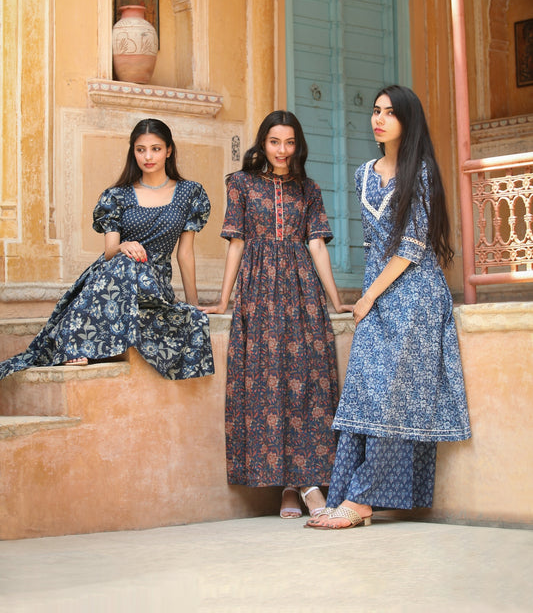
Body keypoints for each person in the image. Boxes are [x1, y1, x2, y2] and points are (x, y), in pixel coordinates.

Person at [307, 85, 471, 530]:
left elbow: (411, 248)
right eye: (375, 111)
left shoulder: (421, 173)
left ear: (407, 121)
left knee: (390, 400)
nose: (378, 119)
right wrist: (369, 298)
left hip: (414, 296)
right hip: (377, 297)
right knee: (363, 394)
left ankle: (361, 502)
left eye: (389, 113)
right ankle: (346, 493)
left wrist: (367, 297)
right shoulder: (363, 173)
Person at [201, 110, 351, 519]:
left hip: (301, 290)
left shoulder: (309, 188)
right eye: (274, 142)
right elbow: (236, 243)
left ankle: (304, 483)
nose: (282, 151)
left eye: (289, 143)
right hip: (258, 290)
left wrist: (335, 301)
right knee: (269, 384)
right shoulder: (242, 184)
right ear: (262, 143)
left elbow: (318, 245)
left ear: (297, 145)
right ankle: (291, 487)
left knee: (307, 381)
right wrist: (223, 300)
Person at [0, 119, 214, 381]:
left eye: (156, 149)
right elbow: (111, 250)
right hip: (114, 272)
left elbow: (185, 253)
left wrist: (193, 304)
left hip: (154, 279)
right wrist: (124, 245)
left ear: (169, 150)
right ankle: (75, 344)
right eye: (140, 149)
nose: (148, 156)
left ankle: (80, 342)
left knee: (133, 265)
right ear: (132, 152)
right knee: (125, 262)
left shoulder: (189, 193)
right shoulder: (116, 196)